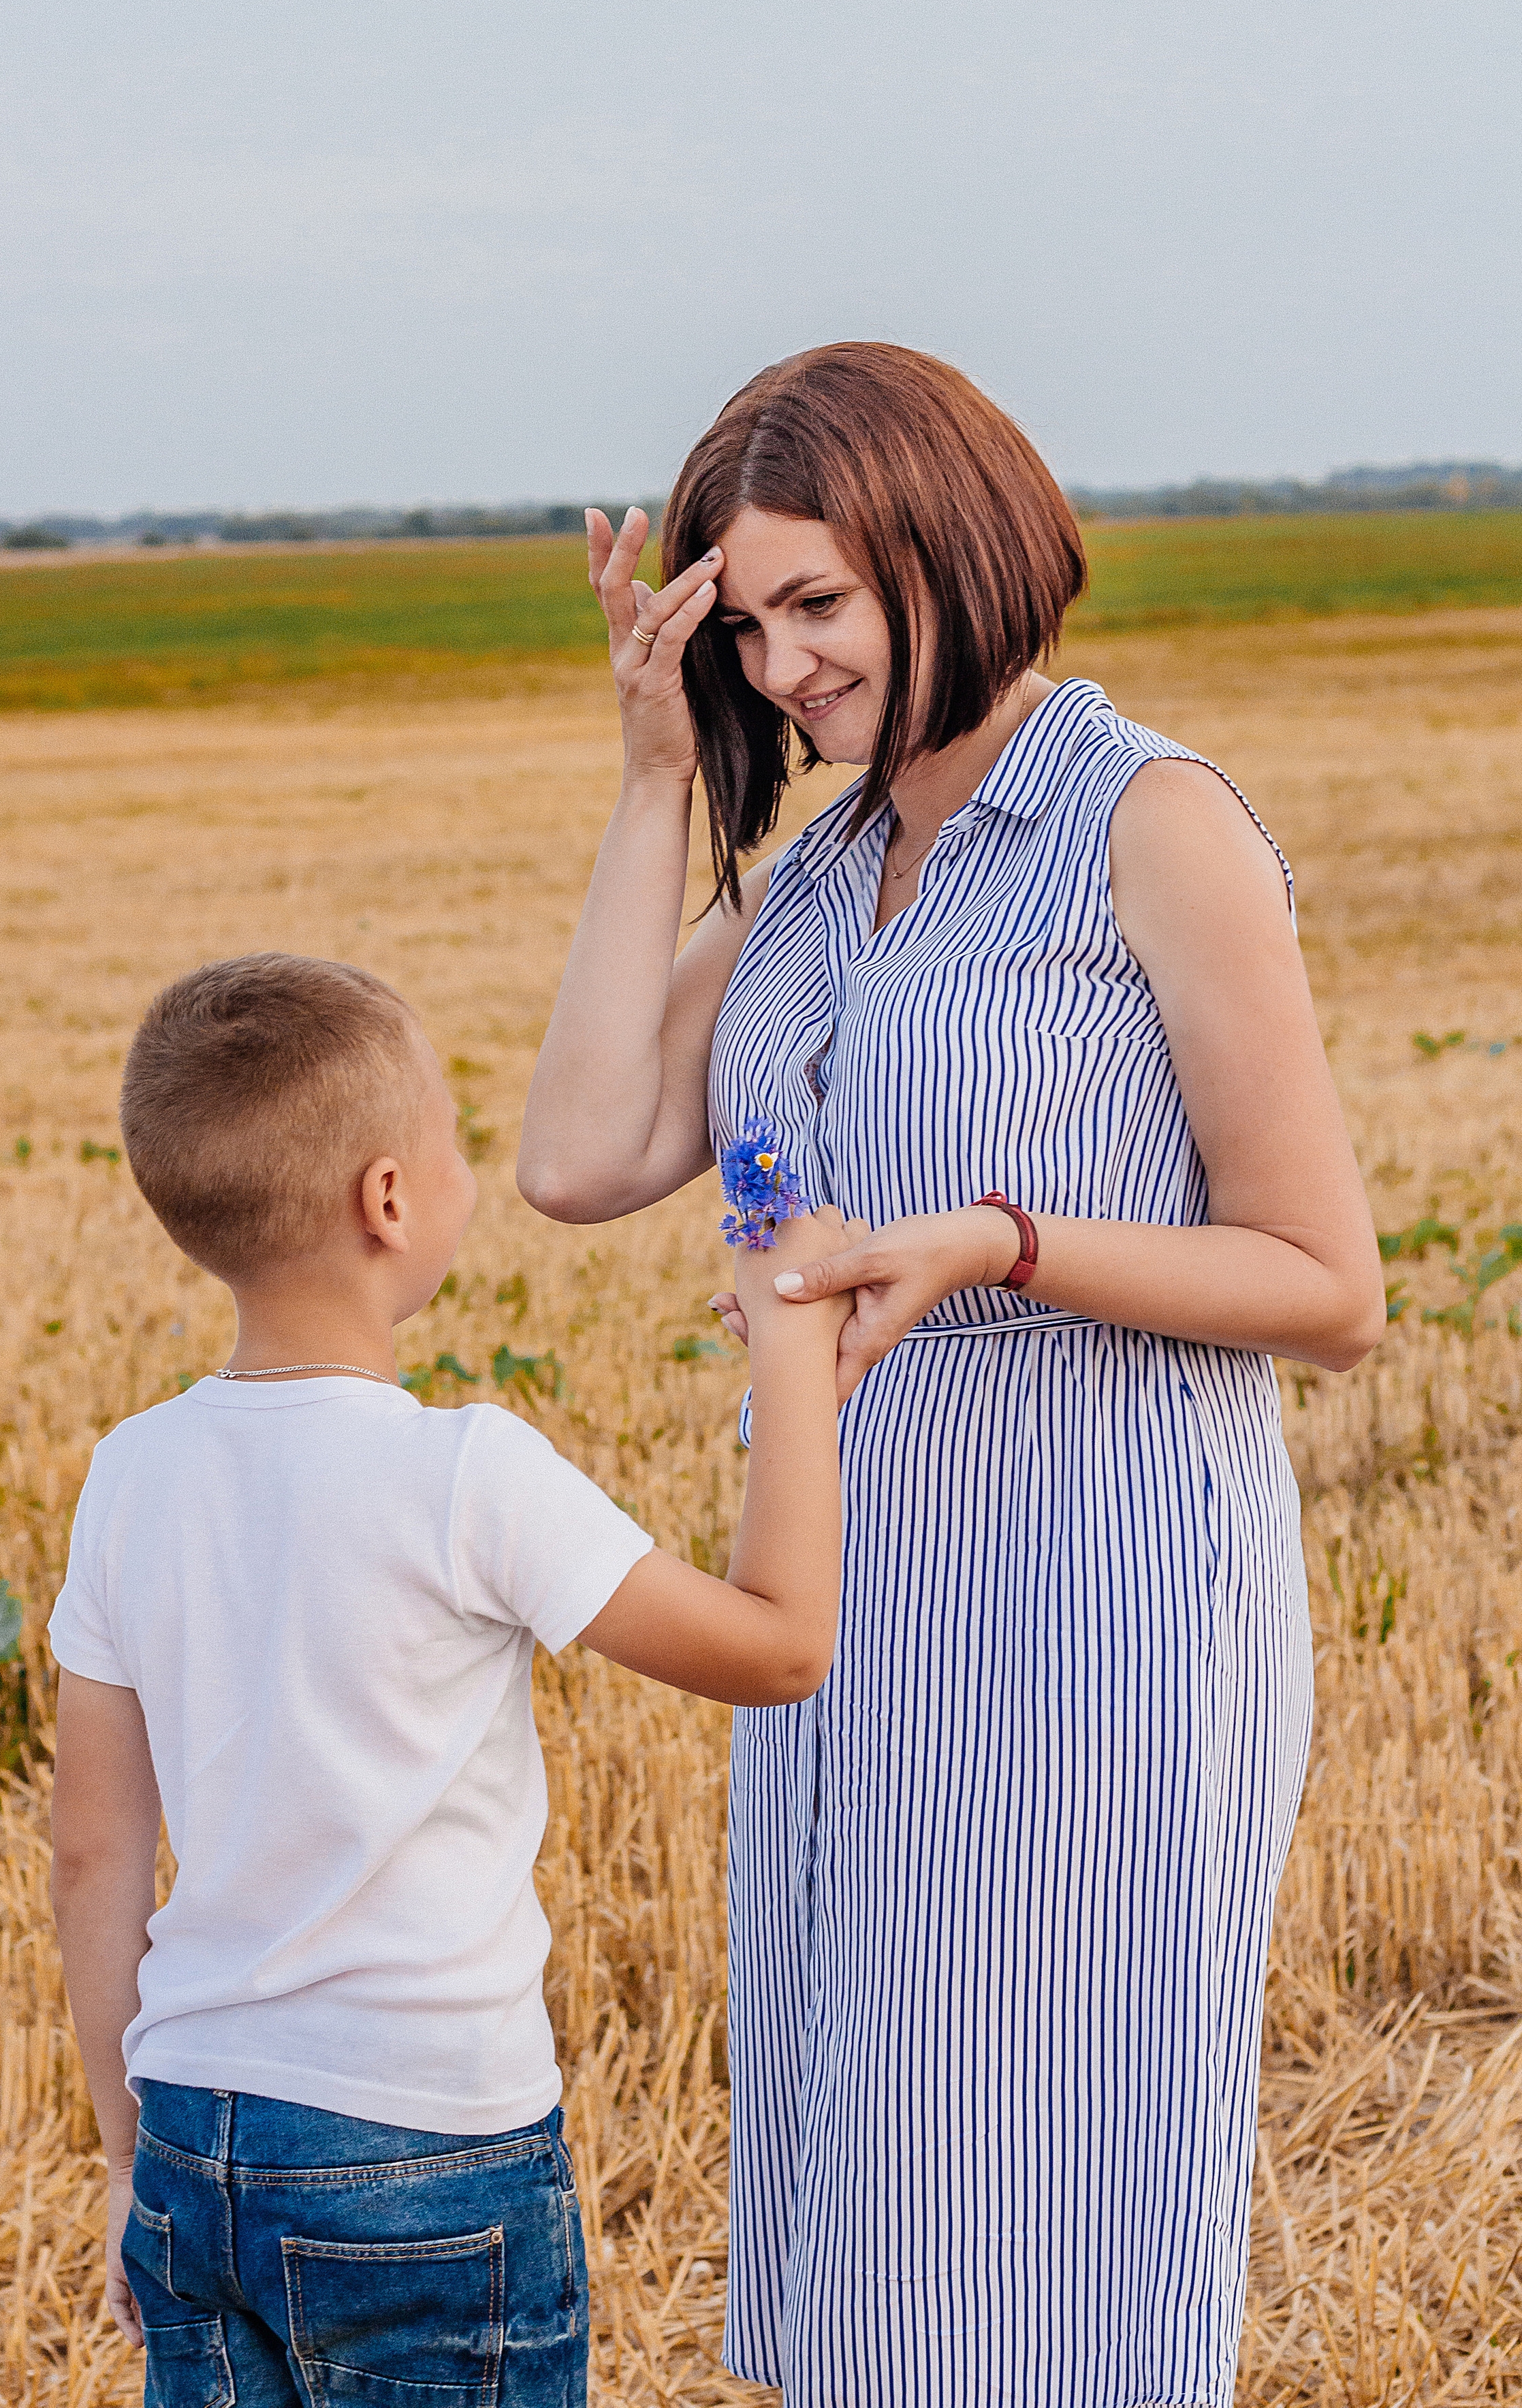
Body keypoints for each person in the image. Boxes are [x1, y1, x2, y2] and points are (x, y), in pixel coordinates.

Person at [517, 342, 1386, 2407]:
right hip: (838, 1609)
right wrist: (654, 779)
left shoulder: (1148, 824)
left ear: (949, 545)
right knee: (873, 2204)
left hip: (1099, 1606)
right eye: (750, 626)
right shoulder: (815, 875)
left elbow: (1329, 1279)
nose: (789, 664)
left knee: (1061, 2206)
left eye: (820, 603)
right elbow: (575, 1157)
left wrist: (1006, 1237)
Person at [48, 950, 854, 2407]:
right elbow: (781, 1645)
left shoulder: (128, 1478)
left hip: (192, 2137)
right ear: (389, 1199)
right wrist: (795, 1355)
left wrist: (126, 2156)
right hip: (423, 2156)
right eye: (456, 1138)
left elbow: (93, 1849)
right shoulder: (466, 1475)